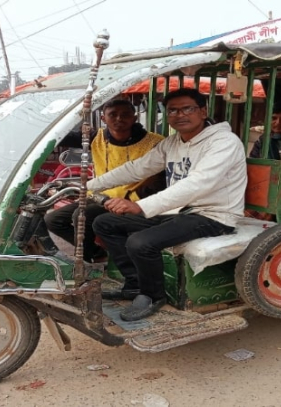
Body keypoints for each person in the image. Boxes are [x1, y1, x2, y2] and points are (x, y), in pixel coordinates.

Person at [89, 88, 247, 321]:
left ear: (203, 111)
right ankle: (134, 284)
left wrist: (141, 206)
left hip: (213, 214)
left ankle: (153, 295)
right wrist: (91, 185)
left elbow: (198, 183)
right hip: (181, 210)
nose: (179, 115)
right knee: (105, 222)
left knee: (140, 242)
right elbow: (138, 168)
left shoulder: (223, 142)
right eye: (172, 110)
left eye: (187, 109)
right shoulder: (173, 142)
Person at [44, 98, 164, 263]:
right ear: (103, 118)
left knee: (82, 215)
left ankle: (84, 264)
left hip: (131, 201)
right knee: (53, 219)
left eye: (125, 115)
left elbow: (159, 180)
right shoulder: (95, 137)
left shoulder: (155, 142)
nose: (119, 119)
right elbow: (57, 137)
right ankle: (96, 252)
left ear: (134, 117)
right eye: (112, 115)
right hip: (98, 196)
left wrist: (132, 199)